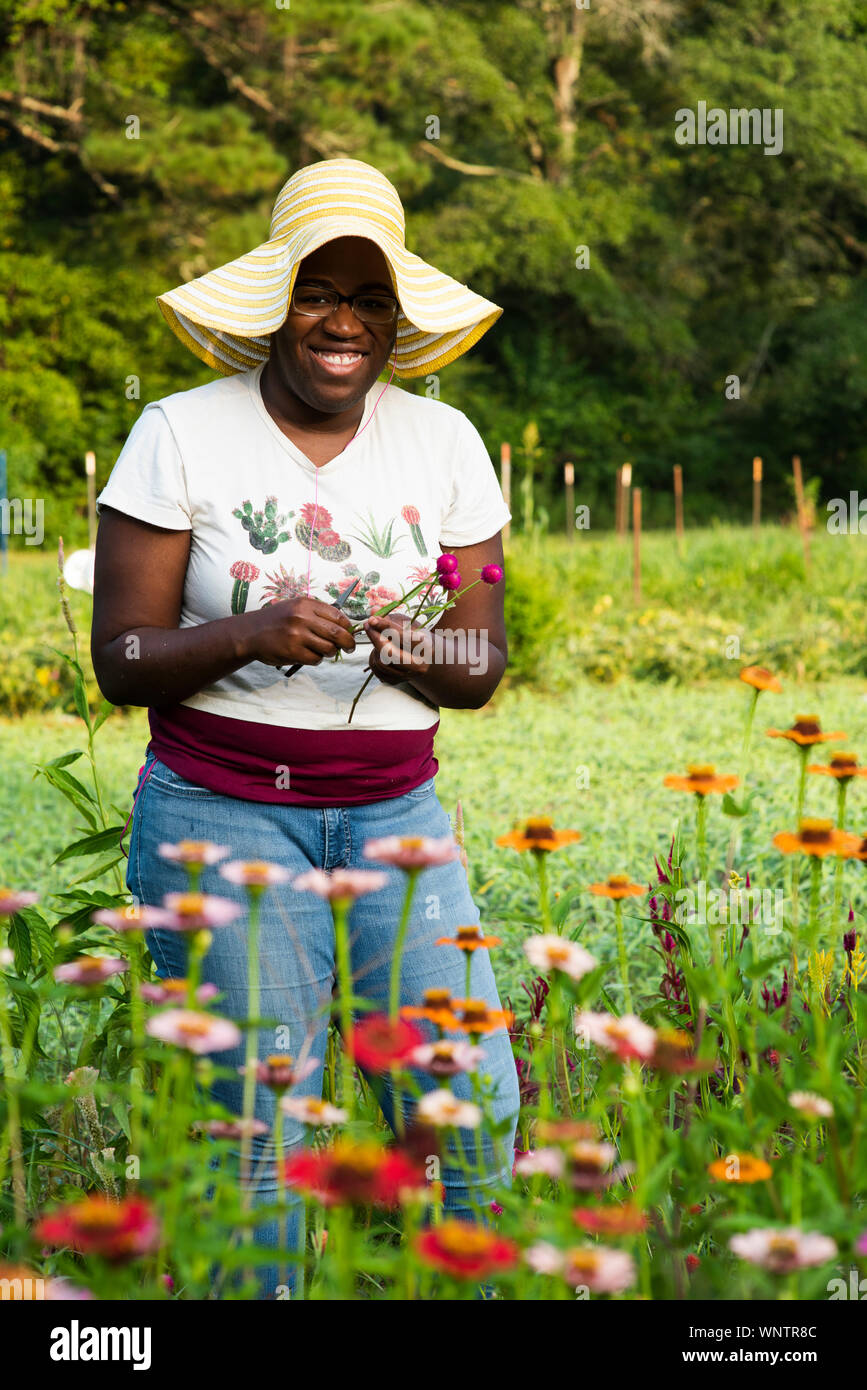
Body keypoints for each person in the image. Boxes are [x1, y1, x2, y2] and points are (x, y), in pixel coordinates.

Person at [91, 156, 520, 1297]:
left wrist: (397, 641)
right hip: (222, 818)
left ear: (395, 321)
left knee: (468, 1106)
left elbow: (479, 666)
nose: (345, 321)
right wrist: (251, 633)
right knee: (256, 1138)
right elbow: (122, 659)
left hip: (397, 823)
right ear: (277, 301)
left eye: (370, 298)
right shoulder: (179, 433)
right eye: (319, 292)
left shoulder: (448, 444)